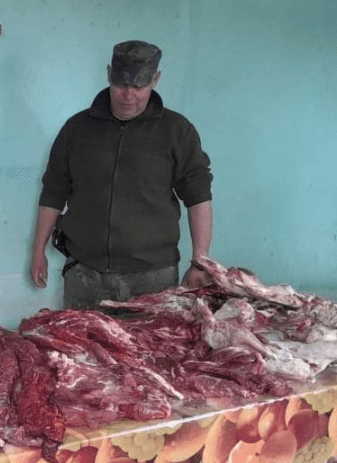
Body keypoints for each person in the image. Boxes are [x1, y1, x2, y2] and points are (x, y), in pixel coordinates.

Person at [29, 40, 214, 309]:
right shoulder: (77, 129)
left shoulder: (177, 131)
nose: (128, 95)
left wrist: (200, 262)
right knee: (76, 338)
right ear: (108, 75)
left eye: (139, 86)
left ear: (156, 80)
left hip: (153, 278)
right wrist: (38, 251)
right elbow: (53, 193)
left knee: (152, 339)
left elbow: (199, 197)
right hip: (84, 273)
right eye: (121, 84)